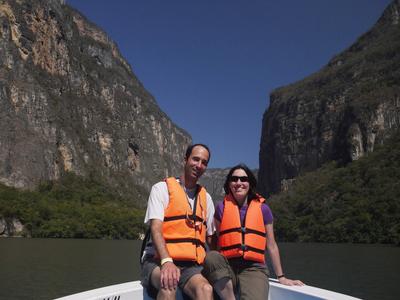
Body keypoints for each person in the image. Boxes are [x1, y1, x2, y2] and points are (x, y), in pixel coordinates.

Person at [203, 164, 303, 300]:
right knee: (212, 256)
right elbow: (221, 240)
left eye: (243, 179)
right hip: (228, 268)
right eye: (234, 179)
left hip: (254, 269)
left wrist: (281, 277)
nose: (239, 183)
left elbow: (271, 245)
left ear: (250, 183)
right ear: (229, 183)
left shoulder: (264, 209)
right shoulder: (221, 208)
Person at [140, 144, 215, 300]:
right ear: (185, 160)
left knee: (206, 289)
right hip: (158, 260)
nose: (199, 165)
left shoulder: (206, 199)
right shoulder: (161, 189)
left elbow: (210, 239)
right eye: (195, 159)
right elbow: (156, 229)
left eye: (204, 162)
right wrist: (167, 261)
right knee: (168, 285)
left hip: (191, 266)